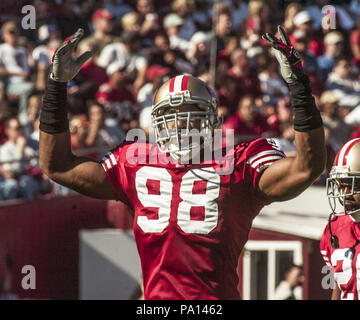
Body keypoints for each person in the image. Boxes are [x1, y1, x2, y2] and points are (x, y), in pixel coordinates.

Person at [39, 27, 325, 300]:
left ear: (213, 121)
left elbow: (306, 167)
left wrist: (299, 87)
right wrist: (56, 87)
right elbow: (58, 165)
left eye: (192, 115)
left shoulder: (239, 163)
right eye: (172, 117)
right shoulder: (136, 163)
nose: (181, 126)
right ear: (156, 123)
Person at [320, 138, 360, 300]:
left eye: (353, 185)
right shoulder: (334, 229)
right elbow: (338, 284)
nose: (345, 193)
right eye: (341, 185)